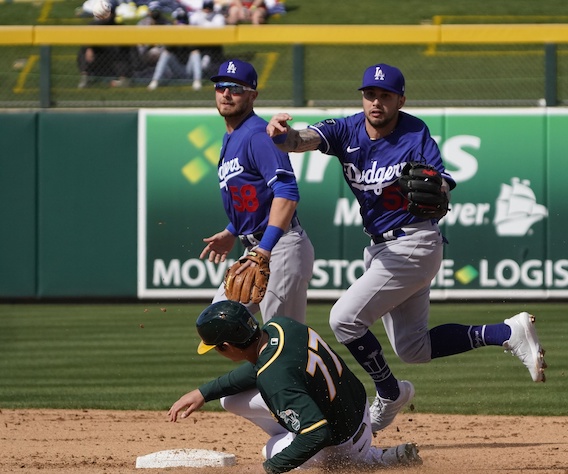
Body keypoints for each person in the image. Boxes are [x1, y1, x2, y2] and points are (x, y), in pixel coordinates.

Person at [266, 63, 547, 433]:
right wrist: (281, 136)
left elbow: (442, 182)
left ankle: (388, 391)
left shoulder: (415, 132)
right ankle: (506, 332)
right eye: (370, 95)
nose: (376, 102)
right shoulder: (345, 128)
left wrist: (438, 189)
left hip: (414, 243)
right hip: (383, 249)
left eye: (385, 95)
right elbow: (301, 141)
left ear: (401, 99)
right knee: (414, 350)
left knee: (343, 320)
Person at [168, 300, 423, 473]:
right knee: (229, 399)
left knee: (269, 451)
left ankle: (371, 460)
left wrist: (271, 468)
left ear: (228, 346)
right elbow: (261, 368)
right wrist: (203, 392)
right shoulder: (280, 326)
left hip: (342, 445)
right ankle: (367, 452)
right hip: (357, 410)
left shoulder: (274, 379)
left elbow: (316, 435)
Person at [200, 58, 314, 324]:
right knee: (219, 323)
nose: (226, 93)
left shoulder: (258, 135)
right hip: (255, 249)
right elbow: (258, 197)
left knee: (285, 342)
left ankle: (323, 365)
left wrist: (264, 249)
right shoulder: (231, 137)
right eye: (221, 86)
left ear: (253, 95)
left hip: (279, 247)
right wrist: (232, 230)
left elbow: (287, 192)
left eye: (236, 88)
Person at [76, 0, 135, 88]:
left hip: (115, 61)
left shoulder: (120, 27)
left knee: (122, 55)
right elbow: (86, 42)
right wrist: (89, 48)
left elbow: (126, 50)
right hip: (99, 59)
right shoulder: (93, 26)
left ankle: (124, 80)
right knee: (83, 52)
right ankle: (85, 78)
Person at [147, 7, 203, 91]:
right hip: (176, 68)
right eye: (179, 21)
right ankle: (155, 81)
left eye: (183, 21)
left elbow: (195, 50)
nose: (181, 25)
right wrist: (177, 37)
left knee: (195, 53)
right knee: (165, 53)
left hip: (189, 69)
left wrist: (185, 36)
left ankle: (197, 81)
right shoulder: (172, 33)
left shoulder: (191, 33)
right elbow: (168, 50)